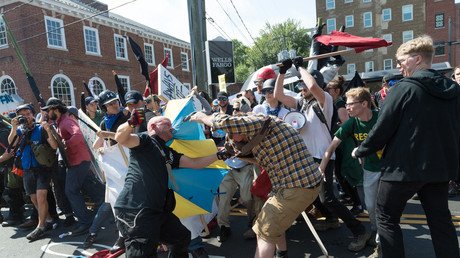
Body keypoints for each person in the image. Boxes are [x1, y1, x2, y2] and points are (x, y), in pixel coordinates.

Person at [352, 35, 460, 258]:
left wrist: (361, 149)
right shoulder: (454, 90)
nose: (399, 66)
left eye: (401, 61)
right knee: (440, 222)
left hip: (403, 168)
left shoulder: (403, 89)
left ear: (417, 59)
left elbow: (382, 128)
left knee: (385, 216)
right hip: (439, 169)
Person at [190, 111, 322, 258]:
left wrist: (200, 117)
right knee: (270, 224)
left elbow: (226, 121)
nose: (233, 137)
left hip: (296, 187)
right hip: (295, 186)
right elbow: (263, 161)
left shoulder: (262, 122)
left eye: (233, 133)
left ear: (244, 125)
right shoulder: (263, 138)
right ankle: (281, 253)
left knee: (263, 231)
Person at [274, 58, 370, 252]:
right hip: (306, 158)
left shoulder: (324, 99)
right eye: (300, 85)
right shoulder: (301, 103)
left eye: (303, 85)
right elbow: (278, 94)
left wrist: (300, 67)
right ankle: (333, 219)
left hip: (323, 157)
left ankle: (359, 231)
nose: (302, 88)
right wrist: (283, 72)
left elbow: (312, 85)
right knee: (310, 195)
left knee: (327, 198)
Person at [113, 115, 220, 257]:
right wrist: (130, 123)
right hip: (136, 210)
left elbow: (196, 163)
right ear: (153, 126)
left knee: (181, 238)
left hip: (157, 211)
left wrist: (221, 155)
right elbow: (121, 138)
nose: (172, 127)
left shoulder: (168, 152)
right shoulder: (144, 141)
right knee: (142, 254)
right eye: (167, 123)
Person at [319, 87, 381, 249]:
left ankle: (382, 244)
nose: (346, 107)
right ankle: (376, 232)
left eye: (350, 104)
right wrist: (321, 168)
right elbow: (331, 147)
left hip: (390, 169)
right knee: (371, 206)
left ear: (364, 104)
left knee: (386, 208)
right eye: (346, 104)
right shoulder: (352, 123)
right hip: (370, 170)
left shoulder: (381, 117)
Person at [41, 97, 104, 237]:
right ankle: (105, 208)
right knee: (94, 189)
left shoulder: (66, 121)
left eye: (48, 110)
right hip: (78, 161)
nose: (47, 113)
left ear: (55, 109)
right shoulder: (60, 121)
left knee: (71, 191)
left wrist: (65, 143)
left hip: (78, 161)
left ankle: (85, 222)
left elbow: (78, 135)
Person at [8, 104, 58, 241]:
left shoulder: (41, 128)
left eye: (28, 113)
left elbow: (54, 146)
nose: (26, 117)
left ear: (32, 114)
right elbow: (11, 143)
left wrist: (48, 130)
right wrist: (13, 127)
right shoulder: (19, 130)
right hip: (27, 168)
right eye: (22, 115)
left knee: (41, 196)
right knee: (34, 198)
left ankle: (40, 227)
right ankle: (48, 219)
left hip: (42, 168)